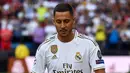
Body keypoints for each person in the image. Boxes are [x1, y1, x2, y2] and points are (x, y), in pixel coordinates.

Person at [31, 3, 105, 73]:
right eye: (59, 22)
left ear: (73, 21)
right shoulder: (44, 48)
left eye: (66, 21)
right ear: (54, 22)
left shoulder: (89, 45)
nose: (62, 26)